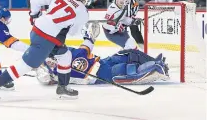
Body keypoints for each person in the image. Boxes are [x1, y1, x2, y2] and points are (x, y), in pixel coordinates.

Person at [0, 0, 92, 101]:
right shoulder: (83, 12)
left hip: (39, 30)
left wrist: (34, 15)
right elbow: (73, 32)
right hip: (47, 38)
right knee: (27, 65)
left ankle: (63, 87)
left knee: (65, 55)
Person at [36, 23, 169, 85]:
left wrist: (89, 37)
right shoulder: (55, 70)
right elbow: (46, 78)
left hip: (102, 62)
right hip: (100, 75)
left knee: (129, 53)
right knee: (125, 69)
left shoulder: (65, 51)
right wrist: (47, 70)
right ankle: (156, 67)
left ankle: (156, 61)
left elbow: (84, 49)